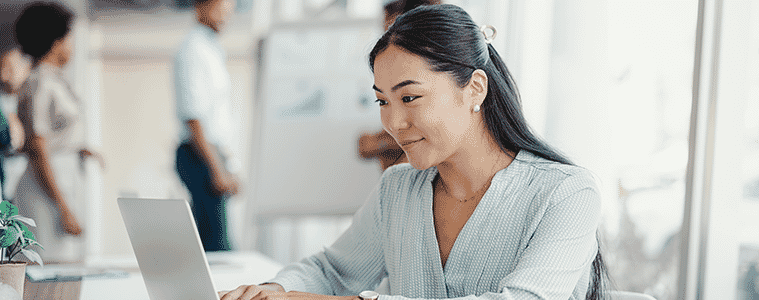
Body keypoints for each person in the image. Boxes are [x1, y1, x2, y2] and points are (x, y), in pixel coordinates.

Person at [220, 4, 608, 300]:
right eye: (382, 102)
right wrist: (272, 290)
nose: (394, 123)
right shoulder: (399, 189)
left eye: (409, 97)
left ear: (474, 88)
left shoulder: (567, 194)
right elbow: (333, 271)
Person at [13, 2, 102, 261]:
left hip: (61, 177)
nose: (71, 45)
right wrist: (63, 207)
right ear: (55, 41)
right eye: (68, 38)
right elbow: (38, 147)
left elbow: (54, 134)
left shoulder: (53, 78)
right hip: (45, 185)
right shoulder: (39, 82)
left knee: (66, 264)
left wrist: (79, 148)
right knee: (49, 267)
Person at [174, 0, 239, 252]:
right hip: (199, 154)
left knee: (212, 240)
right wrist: (217, 169)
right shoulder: (193, 49)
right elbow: (195, 117)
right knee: (216, 245)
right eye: (219, 8)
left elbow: (218, 118)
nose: (225, 16)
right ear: (200, 6)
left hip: (212, 153)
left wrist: (229, 165)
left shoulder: (211, 48)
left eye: (229, 10)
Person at [358, 0, 442, 171]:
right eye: (381, 101)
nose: (385, 36)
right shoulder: (397, 69)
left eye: (387, 26)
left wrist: (381, 144)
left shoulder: (432, 69)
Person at [0, 45, 29, 196]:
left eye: (9, 68)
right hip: (6, 183)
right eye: (1, 68)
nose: (3, 75)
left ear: (27, 69)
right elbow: (14, 140)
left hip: (27, 183)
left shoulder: (30, 101)